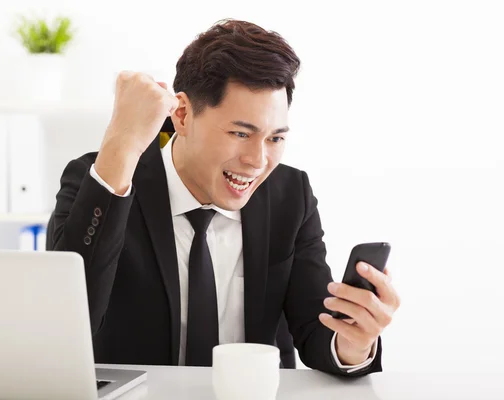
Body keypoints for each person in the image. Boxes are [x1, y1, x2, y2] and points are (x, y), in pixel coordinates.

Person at [48, 19, 400, 376]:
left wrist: (354, 343)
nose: (258, 161)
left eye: (275, 138)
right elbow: (66, 323)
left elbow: (315, 330)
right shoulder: (103, 178)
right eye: (240, 133)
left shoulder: (290, 195)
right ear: (182, 115)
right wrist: (121, 146)